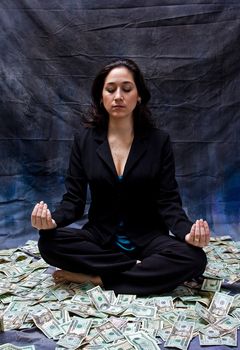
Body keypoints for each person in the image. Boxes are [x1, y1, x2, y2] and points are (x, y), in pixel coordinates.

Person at [31, 58, 210, 296]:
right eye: (110, 89)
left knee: (194, 258)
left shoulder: (159, 141)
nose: (118, 96)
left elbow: (168, 202)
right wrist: (51, 221)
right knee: (48, 242)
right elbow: (73, 200)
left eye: (127, 89)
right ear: (101, 96)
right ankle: (136, 273)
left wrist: (187, 232)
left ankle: (101, 278)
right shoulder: (84, 141)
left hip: (147, 237)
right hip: (100, 235)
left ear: (139, 96)